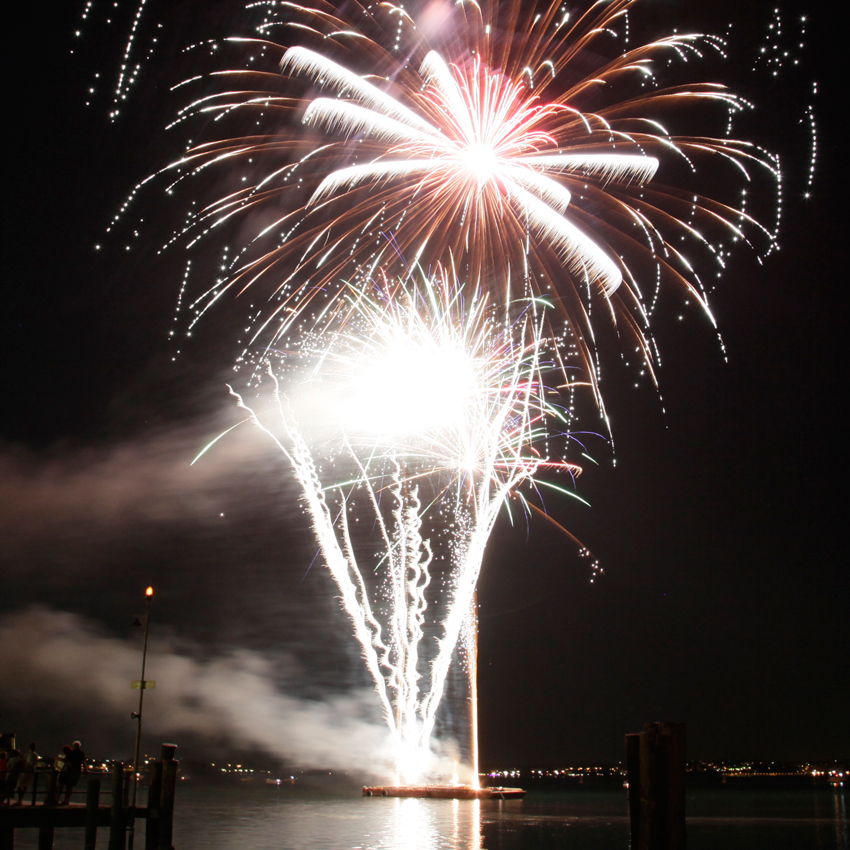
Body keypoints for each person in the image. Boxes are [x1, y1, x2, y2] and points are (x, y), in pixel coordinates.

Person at [61, 740, 88, 805]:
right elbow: (83, 762)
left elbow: (67, 761)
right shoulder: (81, 753)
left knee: (68, 786)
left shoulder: (71, 753)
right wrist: (85, 770)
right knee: (71, 786)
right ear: (79, 746)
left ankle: (65, 800)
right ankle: (67, 800)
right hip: (77, 771)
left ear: (73, 746)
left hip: (70, 771)